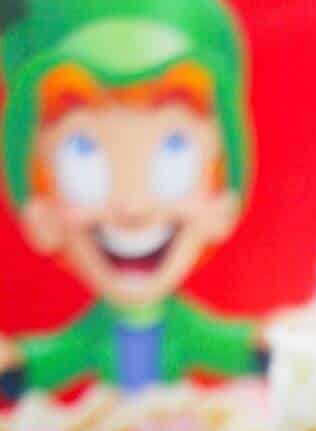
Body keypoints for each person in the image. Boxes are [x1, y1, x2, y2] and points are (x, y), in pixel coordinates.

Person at [0, 0, 264, 395]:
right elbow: (60, 357)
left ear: (220, 204)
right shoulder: (95, 331)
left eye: (175, 153)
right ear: (42, 217)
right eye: (83, 159)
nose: (134, 208)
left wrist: (267, 348)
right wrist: (19, 364)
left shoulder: (181, 325)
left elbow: (222, 344)